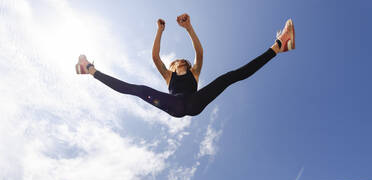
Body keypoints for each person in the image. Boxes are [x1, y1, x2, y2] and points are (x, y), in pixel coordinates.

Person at [76, 14, 295, 118]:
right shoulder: (169, 76)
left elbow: (199, 52)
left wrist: (189, 28)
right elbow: (155, 57)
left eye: (182, 60)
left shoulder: (194, 72)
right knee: (138, 90)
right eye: (176, 61)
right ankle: (91, 70)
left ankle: (278, 46)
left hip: (195, 102)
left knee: (229, 77)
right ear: (172, 66)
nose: (179, 61)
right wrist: (160, 31)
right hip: (174, 105)